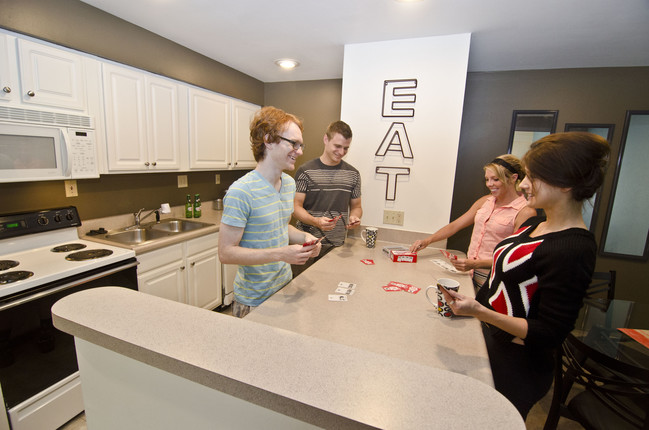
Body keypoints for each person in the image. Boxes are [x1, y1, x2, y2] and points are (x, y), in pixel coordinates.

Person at [441, 132, 610, 418]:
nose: (525, 185)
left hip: (517, 367)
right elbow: (503, 281)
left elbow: (550, 332)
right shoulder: (536, 226)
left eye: (534, 177)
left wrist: (481, 313)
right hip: (490, 347)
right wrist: (469, 310)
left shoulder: (574, 247)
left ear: (566, 183)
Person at [218, 106, 321, 318]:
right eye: (293, 143)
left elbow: (280, 225)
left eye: (301, 145)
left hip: (284, 288)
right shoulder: (241, 191)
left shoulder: (289, 184)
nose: (299, 151)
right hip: (253, 301)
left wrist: (305, 237)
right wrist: (281, 254)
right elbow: (226, 253)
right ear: (268, 140)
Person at [410, 154, 536, 290]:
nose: (489, 184)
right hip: (469, 274)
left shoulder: (525, 211)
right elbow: (455, 225)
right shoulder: (485, 201)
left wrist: (476, 264)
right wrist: (428, 241)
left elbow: (515, 256)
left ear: (513, 178)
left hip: (495, 278)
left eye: (495, 179)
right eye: (487, 179)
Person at [293, 120, 362, 263]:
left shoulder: (353, 174)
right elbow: (295, 207)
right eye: (337, 146)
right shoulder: (305, 171)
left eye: (346, 148)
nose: (341, 152)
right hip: (308, 245)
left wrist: (354, 217)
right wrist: (315, 221)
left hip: (338, 247)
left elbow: (356, 207)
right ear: (326, 139)